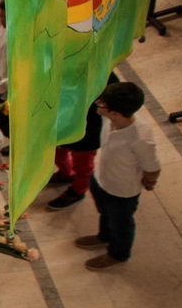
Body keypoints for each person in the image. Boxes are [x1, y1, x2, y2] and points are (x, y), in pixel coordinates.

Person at [76, 81, 160, 270]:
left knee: (121, 224)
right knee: (105, 213)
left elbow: (153, 167)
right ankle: (104, 236)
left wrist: (150, 181)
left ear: (115, 113)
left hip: (121, 191)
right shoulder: (109, 119)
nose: (98, 103)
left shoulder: (140, 138)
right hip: (101, 178)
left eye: (102, 104)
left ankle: (118, 254)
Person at [49, 73, 120, 210]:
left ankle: (78, 190)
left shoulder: (105, 74)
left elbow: (114, 103)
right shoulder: (62, 67)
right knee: (57, 153)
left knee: (83, 164)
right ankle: (66, 173)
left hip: (88, 129)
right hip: (62, 123)